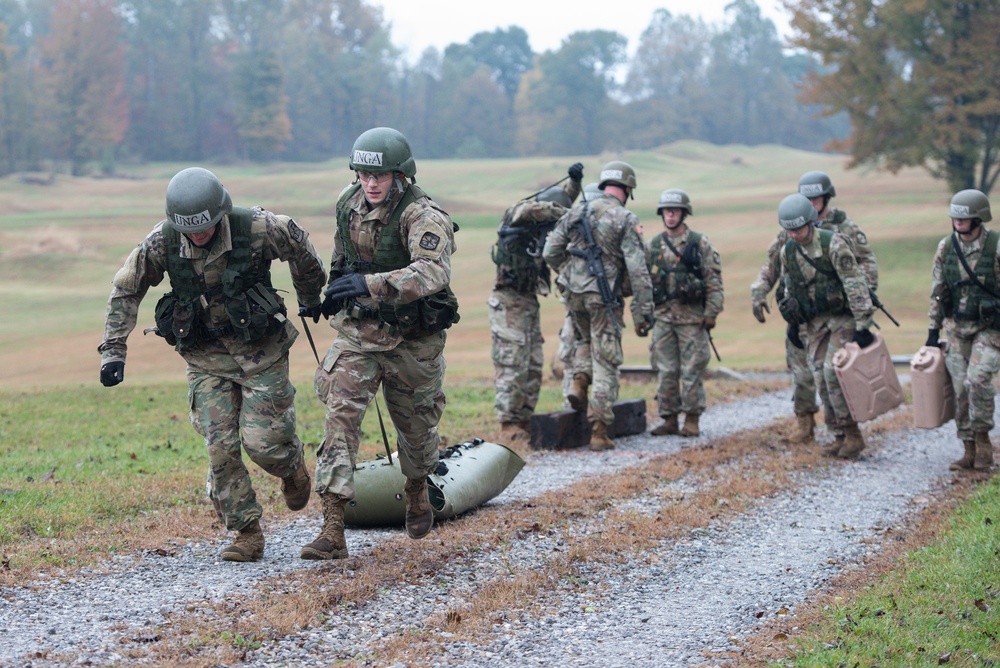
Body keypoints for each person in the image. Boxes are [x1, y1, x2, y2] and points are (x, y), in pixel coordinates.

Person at [98, 167, 327, 562]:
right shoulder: (162, 242)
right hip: (205, 357)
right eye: (190, 229)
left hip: (262, 352)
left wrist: (310, 296)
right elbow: (126, 289)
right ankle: (246, 533)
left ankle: (291, 468)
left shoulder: (258, 226)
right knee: (219, 449)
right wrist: (114, 350)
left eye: (204, 227)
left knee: (264, 444)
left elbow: (301, 251)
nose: (198, 235)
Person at [303, 127, 459, 560]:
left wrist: (368, 284)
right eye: (364, 174)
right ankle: (332, 527)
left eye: (382, 175)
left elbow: (431, 273)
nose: (371, 184)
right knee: (340, 417)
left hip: (413, 339)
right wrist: (329, 296)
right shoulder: (347, 204)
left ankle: (416, 487)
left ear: (400, 176)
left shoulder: (423, 215)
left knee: (417, 430)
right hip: (359, 336)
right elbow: (342, 258)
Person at [750, 170, 879, 444]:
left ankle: (848, 432)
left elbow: (864, 267)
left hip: (841, 313)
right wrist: (761, 291)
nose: (811, 202)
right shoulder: (790, 232)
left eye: (815, 197)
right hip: (808, 316)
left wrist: (861, 312)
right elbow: (776, 268)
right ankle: (808, 424)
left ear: (826, 197)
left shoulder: (843, 230)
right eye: (806, 197)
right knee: (809, 372)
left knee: (834, 372)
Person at [543, 160, 654, 451]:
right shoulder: (625, 218)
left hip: (573, 292)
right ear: (627, 189)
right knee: (606, 358)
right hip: (603, 297)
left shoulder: (578, 210)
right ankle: (599, 430)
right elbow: (638, 270)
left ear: (605, 185)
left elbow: (550, 251)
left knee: (583, 339)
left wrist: (569, 274)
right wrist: (643, 311)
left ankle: (579, 381)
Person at [774, 193, 875, 458]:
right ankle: (838, 434)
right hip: (814, 321)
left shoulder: (834, 244)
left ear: (809, 222)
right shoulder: (788, 252)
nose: (794, 234)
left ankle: (853, 434)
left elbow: (855, 284)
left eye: (798, 228)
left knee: (833, 371)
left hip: (842, 318)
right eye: (789, 230)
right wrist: (793, 323)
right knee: (819, 375)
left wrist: (863, 325)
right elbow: (789, 288)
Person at [489, 163, 583, 443]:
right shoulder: (516, 217)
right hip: (507, 301)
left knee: (532, 364)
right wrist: (566, 214)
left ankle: (524, 420)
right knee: (512, 363)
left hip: (529, 301)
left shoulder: (541, 229)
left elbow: (561, 198)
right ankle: (509, 423)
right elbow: (536, 208)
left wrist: (575, 185)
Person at [926, 189, 997, 471]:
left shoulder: (996, 247)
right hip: (956, 328)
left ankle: (983, 442)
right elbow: (937, 291)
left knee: (977, 381)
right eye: (954, 217)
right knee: (959, 390)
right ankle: (967, 447)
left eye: (964, 217)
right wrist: (933, 331)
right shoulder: (946, 247)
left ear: (979, 218)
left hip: (991, 329)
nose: (958, 221)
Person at [646, 189, 724, 438]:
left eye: (675, 211)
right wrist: (643, 314)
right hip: (663, 318)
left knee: (692, 369)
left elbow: (713, 280)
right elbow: (643, 283)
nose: (670, 215)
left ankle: (692, 418)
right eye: (666, 211)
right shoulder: (654, 245)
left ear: (683, 213)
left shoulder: (699, 243)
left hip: (692, 318)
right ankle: (668, 418)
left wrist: (712, 312)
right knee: (665, 370)